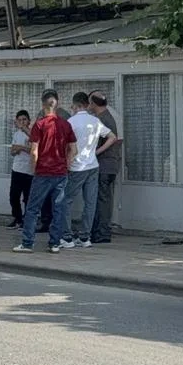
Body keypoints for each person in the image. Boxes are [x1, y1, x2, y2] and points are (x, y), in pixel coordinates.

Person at [13, 93, 77, 254]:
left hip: (43, 171)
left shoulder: (39, 125)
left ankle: (27, 243)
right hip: (60, 172)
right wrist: (67, 165)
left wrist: (34, 169)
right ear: (57, 105)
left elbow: (34, 150)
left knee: (33, 208)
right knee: (58, 208)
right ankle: (54, 243)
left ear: (43, 105)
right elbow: (73, 149)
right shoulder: (66, 124)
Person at [61, 93, 115, 249]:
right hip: (93, 165)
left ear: (76, 105)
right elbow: (112, 137)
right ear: (86, 104)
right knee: (90, 202)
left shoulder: (71, 122)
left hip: (77, 166)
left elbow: (66, 145)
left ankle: (67, 237)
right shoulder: (95, 121)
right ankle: (85, 237)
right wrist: (96, 152)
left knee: (65, 201)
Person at [88, 91, 121, 244]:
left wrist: (95, 152)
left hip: (104, 165)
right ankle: (100, 231)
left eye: (90, 103)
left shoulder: (101, 120)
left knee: (102, 199)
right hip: (110, 164)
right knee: (104, 198)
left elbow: (109, 140)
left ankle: (101, 232)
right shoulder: (108, 116)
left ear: (93, 104)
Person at [8, 110, 33, 230]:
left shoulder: (31, 134)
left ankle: (26, 220)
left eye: (24, 119)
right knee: (13, 196)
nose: (22, 122)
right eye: (19, 120)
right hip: (16, 168)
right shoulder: (16, 134)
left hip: (28, 170)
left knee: (27, 197)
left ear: (29, 121)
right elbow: (12, 151)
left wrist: (21, 148)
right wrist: (16, 149)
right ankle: (17, 218)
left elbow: (33, 150)